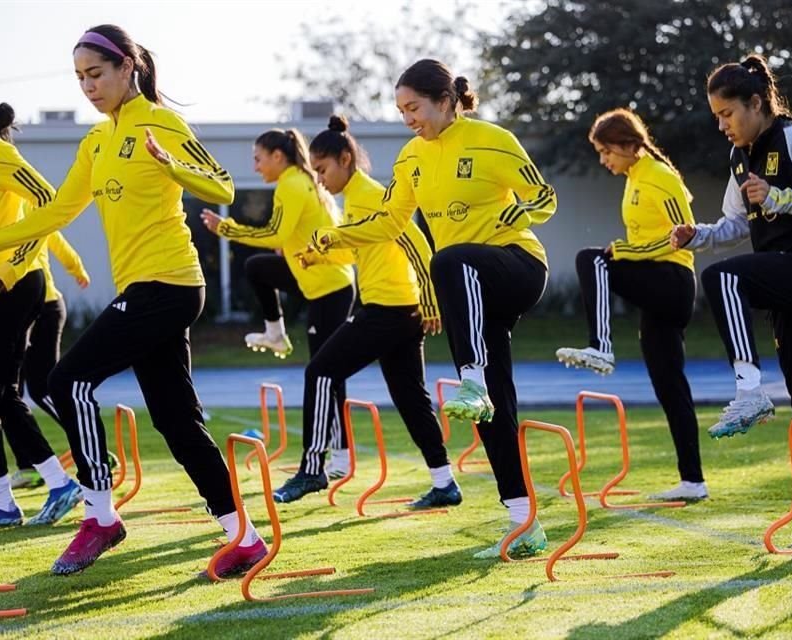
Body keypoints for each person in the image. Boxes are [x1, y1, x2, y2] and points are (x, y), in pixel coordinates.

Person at [0, 25, 266, 575]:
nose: (88, 86)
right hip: (142, 288)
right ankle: (245, 536)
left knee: (67, 381)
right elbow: (57, 212)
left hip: (174, 283)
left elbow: (224, 188)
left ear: (126, 69)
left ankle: (100, 515)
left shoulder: (161, 122)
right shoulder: (96, 140)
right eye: (80, 78)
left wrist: (171, 165)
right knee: (177, 422)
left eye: (96, 73)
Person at [312, 59, 557, 558]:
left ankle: (470, 374)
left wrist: (522, 210)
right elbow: (389, 222)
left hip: (517, 267)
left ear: (445, 101)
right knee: (493, 409)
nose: (408, 118)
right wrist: (336, 236)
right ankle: (523, 524)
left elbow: (545, 197)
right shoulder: (409, 159)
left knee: (449, 259)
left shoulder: (493, 140)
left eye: (414, 107)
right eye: (401, 110)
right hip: (469, 289)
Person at [670, 54, 792, 548]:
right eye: (716, 116)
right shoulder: (739, 159)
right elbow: (736, 225)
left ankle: (749, 390)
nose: (721, 125)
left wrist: (781, 198)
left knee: (724, 279)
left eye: (727, 114)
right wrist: (697, 235)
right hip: (787, 279)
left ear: (756, 103)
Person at [271, 114, 460, 508]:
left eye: (322, 170)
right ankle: (445, 484)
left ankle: (312, 469)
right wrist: (316, 256)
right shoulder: (354, 201)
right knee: (411, 398)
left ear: (345, 159)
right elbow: (358, 249)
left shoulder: (373, 195)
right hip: (395, 310)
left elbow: (417, 244)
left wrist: (430, 300)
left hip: (391, 309)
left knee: (321, 372)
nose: (320, 180)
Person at [555, 108, 707, 502]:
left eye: (607, 152)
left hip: (673, 282)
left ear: (628, 144)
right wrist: (629, 252)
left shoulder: (660, 177)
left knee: (592, 259)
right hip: (656, 289)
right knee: (669, 386)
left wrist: (625, 250)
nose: (604, 160)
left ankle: (601, 346)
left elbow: (682, 237)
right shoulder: (635, 177)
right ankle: (693, 481)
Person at [199, 128, 355, 478]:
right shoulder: (299, 179)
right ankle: (275, 332)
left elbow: (275, 233)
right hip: (315, 280)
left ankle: (339, 460)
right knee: (259, 268)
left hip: (330, 286)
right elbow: (296, 232)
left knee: (326, 373)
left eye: (258, 158)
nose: (255, 167)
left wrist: (227, 228)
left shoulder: (292, 182)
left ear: (277, 157)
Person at [0, 82, 83, 528]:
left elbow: (51, 202)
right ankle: (55, 482)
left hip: (10, 286)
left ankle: (4, 502)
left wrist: (13, 264)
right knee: (3, 394)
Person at [10, 231, 90, 491]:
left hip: (43, 307)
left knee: (42, 389)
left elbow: (55, 236)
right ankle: (28, 467)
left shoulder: (25, 207)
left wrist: (75, 267)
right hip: (22, 308)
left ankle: (91, 447)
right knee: (11, 394)